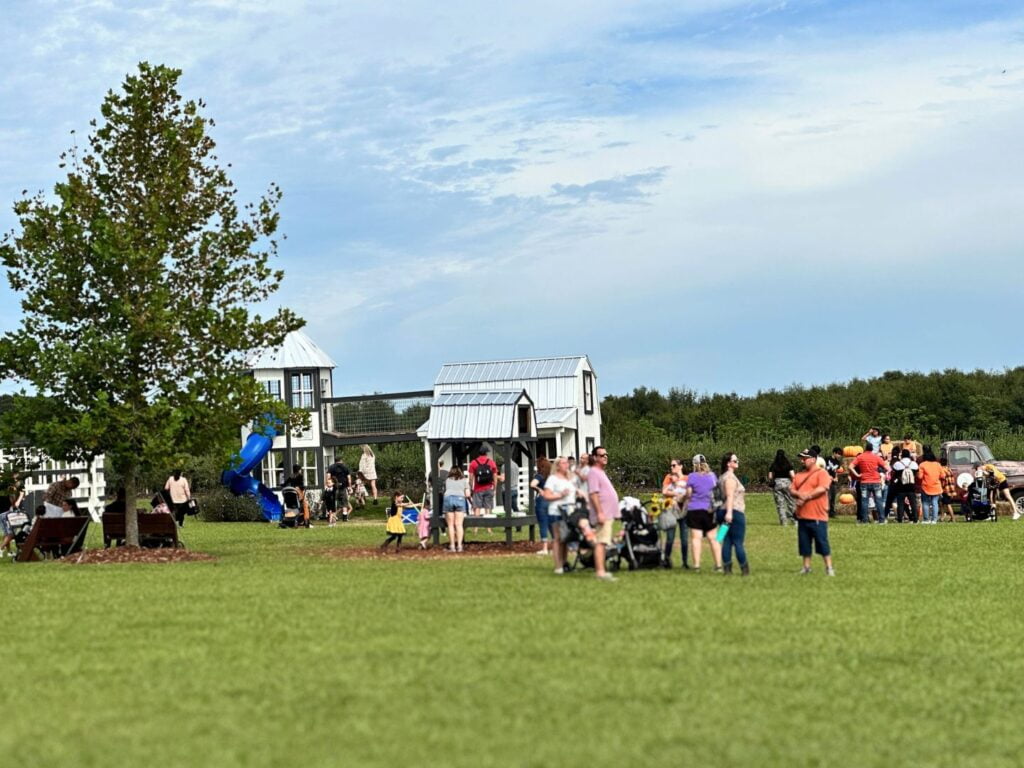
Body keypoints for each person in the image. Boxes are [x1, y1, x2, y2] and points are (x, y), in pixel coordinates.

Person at [791, 448, 834, 575]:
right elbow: (791, 489)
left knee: (822, 542)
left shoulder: (822, 473)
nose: (802, 460)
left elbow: (822, 488)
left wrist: (806, 496)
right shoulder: (799, 475)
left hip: (818, 516)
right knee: (804, 543)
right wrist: (799, 495)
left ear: (813, 459)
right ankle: (806, 567)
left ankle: (829, 567)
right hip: (803, 516)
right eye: (801, 458)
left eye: (805, 458)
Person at [586, 446, 620, 582]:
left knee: (603, 542)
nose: (605, 457)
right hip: (602, 514)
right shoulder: (593, 472)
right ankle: (600, 572)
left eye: (606, 454)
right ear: (594, 457)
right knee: (601, 542)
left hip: (607, 513)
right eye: (601, 455)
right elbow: (593, 493)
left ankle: (602, 571)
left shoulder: (600, 472)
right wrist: (600, 512)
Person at [685, 454, 722, 573]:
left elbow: (689, 494)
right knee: (713, 538)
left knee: (696, 538)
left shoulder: (692, 476)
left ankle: (696, 566)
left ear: (694, 464)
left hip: (695, 510)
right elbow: (717, 492)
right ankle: (718, 565)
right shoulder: (712, 476)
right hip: (709, 510)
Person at [540, 457, 576, 574]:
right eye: (563, 463)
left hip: (569, 511)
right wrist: (560, 495)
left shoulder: (569, 478)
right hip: (556, 511)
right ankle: (558, 566)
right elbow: (547, 495)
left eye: (567, 462)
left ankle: (564, 563)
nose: (566, 464)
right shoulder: (553, 479)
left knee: (565, 539)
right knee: (558, 539)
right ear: (557, 465)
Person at [715, 452, 749, 575]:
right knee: (738, 541)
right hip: (733, 512)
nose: (737, 462)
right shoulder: (729, 478)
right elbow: (730, 496)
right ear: (728, 463)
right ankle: (744, 568)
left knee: (726, 540)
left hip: (722, 511)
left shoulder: (722, 477)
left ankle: (727, 569)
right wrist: (729, 514)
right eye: (735, 461)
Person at [660, 458, 690, 568]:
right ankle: (666, 561)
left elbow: (690, 492)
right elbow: (664, 491)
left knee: (685, 538)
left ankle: (685, 563)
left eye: (674, 465)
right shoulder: (668, 478)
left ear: (680, 466)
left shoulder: (687, 478)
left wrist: (675, 490)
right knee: (670, 537)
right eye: (671, 466)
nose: (672, 467)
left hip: (684, 511)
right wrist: (678, 493)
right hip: (671, 511)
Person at [848, 443, 888, 524]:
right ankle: (882, 520)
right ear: (872, 449)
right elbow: (887, 468)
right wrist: (881, 474)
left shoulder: (860, 457)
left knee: (864, 501)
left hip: (864, 481)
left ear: (865, 448)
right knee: (879, 501)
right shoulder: (876, 457)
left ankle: (865, 520)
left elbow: (850, 466)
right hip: (876, 481)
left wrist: (857, 475)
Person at [442, 465, 470, 553]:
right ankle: (459, 546)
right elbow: (468, 494)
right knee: (458, 524)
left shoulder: (447, 480)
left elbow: (443, 491)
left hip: (448, 499)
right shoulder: (464, 480)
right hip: (460, 499)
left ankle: (452, 546)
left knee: (450, 525)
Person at [468, 446, 501, 519]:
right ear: (486, 453)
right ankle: (488, 528)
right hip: (489, 487)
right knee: (488, 507)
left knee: (477, 507)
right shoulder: (491, 462)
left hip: (477, 489)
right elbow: (495, 477)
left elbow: (471, 478)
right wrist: (495, 488)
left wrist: (471, 488)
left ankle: (476, 528)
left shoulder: (473, 462)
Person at [767, 449, 796, 525]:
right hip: (787, 483)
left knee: (780, 504)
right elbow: (793, 475)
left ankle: (783, 522)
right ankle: (794, 520)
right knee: (791, 502)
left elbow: (770, 476)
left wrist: (773, 480)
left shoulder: (774, 464)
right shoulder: (788, 464)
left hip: (777, 484)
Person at [530, 456, 552, 556]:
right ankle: (556, 547)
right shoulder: (552, 477)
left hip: (542, 501)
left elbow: (532, 484)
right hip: (552, 500)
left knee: (543, 524)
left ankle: (545, 548)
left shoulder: (539, 476)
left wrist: (539, 490)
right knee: (553, 525)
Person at [891, 450, 919, 523]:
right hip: (911, 486)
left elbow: (893, 473)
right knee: (913, 503)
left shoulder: (898, 464)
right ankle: (915, 518)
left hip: (900, 486)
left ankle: (900, 519)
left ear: (902, 455)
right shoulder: (913, 463)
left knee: (900, 503)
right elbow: (916, 473)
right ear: (909, 455)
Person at [917, 446, 943, 525]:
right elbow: (942, 476)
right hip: (936, 486)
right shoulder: (938, 465)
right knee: (935, 503)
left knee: (925, 503)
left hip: (926, 486)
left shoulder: (922, 465)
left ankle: (926, 519)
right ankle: (934, 520)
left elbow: (920, 477)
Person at [327, 454, 353, 522]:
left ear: (335, 461)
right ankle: (345, 517)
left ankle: (332, 517)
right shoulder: (345, 467)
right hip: (343, 487)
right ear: (341, 460)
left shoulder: (331, 467)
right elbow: (349, 478)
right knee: (344, 502)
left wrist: (328, 485)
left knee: (333, 502)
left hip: (334, 487)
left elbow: (328, 476)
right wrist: (349, 487)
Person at [939, 457, 960, 523]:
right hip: (951, 489)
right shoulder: (949, 469)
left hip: (945, 489)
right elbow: (953, 480)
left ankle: (953, 518)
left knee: (948, 504)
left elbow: (943, 481)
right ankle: (942, 517)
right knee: (942, 503)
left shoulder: (942, 470)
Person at [824, 447, 843, 518]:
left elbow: (836, 471)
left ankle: (832, 513)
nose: (839, 456)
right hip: (826, 480)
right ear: (834, 453)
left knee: (833, 497)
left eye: (840, 454)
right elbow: (823, 469)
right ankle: (826, 512)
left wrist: (836, 477)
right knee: (828, 497)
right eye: (838, 454)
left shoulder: (837, 462)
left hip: (833, 482)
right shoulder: (827, 459)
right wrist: (829, 477)